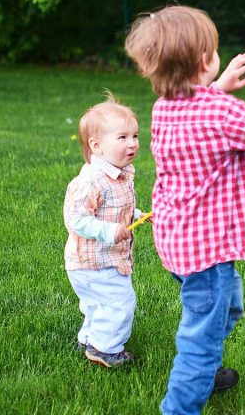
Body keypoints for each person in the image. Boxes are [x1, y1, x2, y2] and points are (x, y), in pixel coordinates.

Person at [124, 5, 245, 414]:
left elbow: (202, 112)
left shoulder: (166, 106)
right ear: (204, 62)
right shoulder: (217, 112)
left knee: (227, 306)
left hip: (178, 243)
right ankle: (186, 395)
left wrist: (219, 87)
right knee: (199, 338)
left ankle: (205, 362)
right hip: (207, 253)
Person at [63, 92, 146, 368]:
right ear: (96, 146)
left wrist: (138, 215)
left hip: (99, 261)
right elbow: (76, 218)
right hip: (94, 263)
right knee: (119, 302)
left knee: (98, 304)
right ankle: (106, 349)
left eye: (134, 136)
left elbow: (117, 208)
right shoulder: (91, 181)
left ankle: (89, 339)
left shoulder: (121, 172)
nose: (132, 143)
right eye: (122, 138)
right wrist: (109, 231)